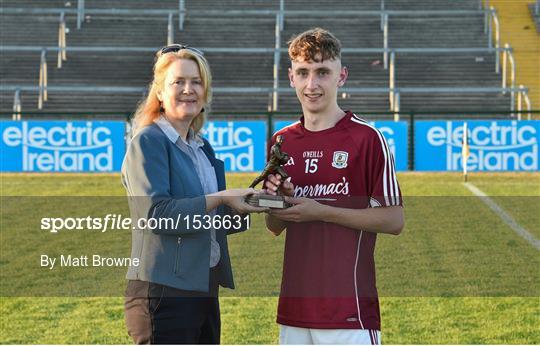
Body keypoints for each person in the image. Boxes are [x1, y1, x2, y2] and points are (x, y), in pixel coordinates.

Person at [264, 28, 405, 345]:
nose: (311, 85)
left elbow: (394, 220)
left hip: (348, 310)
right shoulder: (281, 140)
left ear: (341, 77)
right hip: (294, 310)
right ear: (291, 77)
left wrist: (322, 211)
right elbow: (273, 225)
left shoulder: (368, 139)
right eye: (303, 73)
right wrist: (279, 200)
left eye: (322, 73)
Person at [122, 44, 266, 344]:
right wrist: (221, 197)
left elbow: (214, 220)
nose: (189, 89)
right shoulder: (148, 141)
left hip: (204, 288)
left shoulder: (203, 148)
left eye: (197, 81)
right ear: (160, 92)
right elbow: (157, 216)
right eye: (179, 82)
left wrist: (257, 201)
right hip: (163, 293)